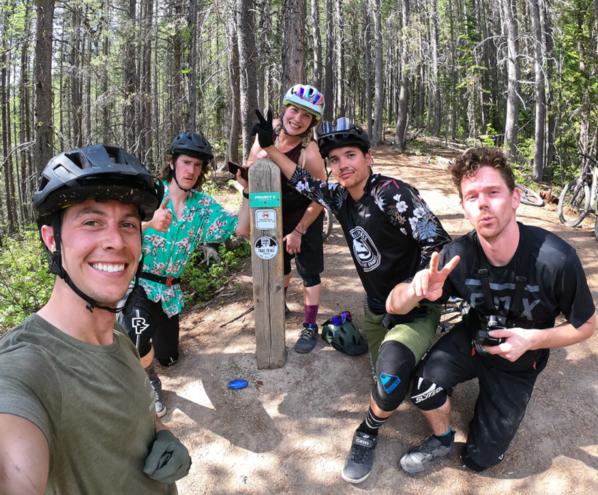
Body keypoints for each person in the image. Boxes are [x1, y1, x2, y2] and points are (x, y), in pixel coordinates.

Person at [251, 113, 452, 483]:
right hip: (376, 312)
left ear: (368, 157)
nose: (342, 165)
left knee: (390, 382)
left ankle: (370, 433)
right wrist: (267, 147)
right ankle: (415, 369)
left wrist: (420, 282)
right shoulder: (340, 197)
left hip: (415, 309)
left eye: (350, 156)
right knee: (388, 379)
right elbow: (302, 181)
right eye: (334, 159)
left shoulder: (391, 193)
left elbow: (436, 240)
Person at [388, 147, 596, 475]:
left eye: (493, 192)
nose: (483, 203)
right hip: (475, 339)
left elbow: (585, 326)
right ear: (465, 208)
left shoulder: (556, 259)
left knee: (478, 461)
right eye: (472, 196)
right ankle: (442, 438)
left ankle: (492, 412)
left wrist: (532, 340)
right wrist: (415, 290)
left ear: (515, 199)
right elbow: (392, 304)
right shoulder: (457, 256)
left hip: (521, 360)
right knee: (422, 387)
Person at [0, 145, 191, 495]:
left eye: (128, 224)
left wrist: (162, 432)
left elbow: (141, 412)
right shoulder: (25, 368)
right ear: (51, 240)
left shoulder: (117, 335)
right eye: (92, 222)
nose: (116, 241)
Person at [119, 131, 250, 416]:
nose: (191, 170)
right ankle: (149, 380)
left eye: (198, 165)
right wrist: (149, 223)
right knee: (138, 336)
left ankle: (142, 351)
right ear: (172, 162)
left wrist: (248, 192)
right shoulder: (148, 194)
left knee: (169, 357)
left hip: (170, 291)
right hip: (138, 282)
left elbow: (241, 228)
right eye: (186, 162)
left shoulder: (202, 206)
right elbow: (116, 230)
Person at [247, 85, 327, 354]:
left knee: (309, 272)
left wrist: (300, 230)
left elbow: (320, 196)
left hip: (305, 217)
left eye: (307, 116)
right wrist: (251, 170)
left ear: (313, 122)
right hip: (271, 215)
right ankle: (277, 303)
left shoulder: (310, 151)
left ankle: (309, 324)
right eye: (294, 110)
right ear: (284, 108)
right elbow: (248, 171)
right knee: (277, 263)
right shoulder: (267, 131)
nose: (298, 119)